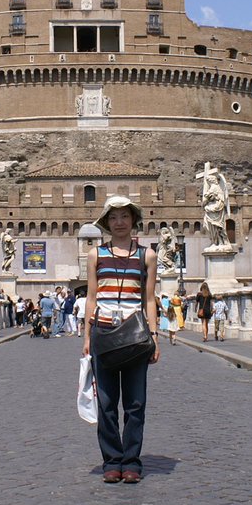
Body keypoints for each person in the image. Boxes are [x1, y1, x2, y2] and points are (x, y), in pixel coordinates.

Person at [82, 194, 160, 484]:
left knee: (136, 403)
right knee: (105, 403)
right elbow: (92, 297)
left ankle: (132, 462)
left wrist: (155, 336)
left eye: (124, 216)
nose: (119, 222)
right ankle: (112, 461)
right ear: (106, 223)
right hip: (103, 333)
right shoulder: (95, 255)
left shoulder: (146, 255)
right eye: (113, 218)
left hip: (136, 335)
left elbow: (149, 299)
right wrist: (86, 336)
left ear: (133, 220)